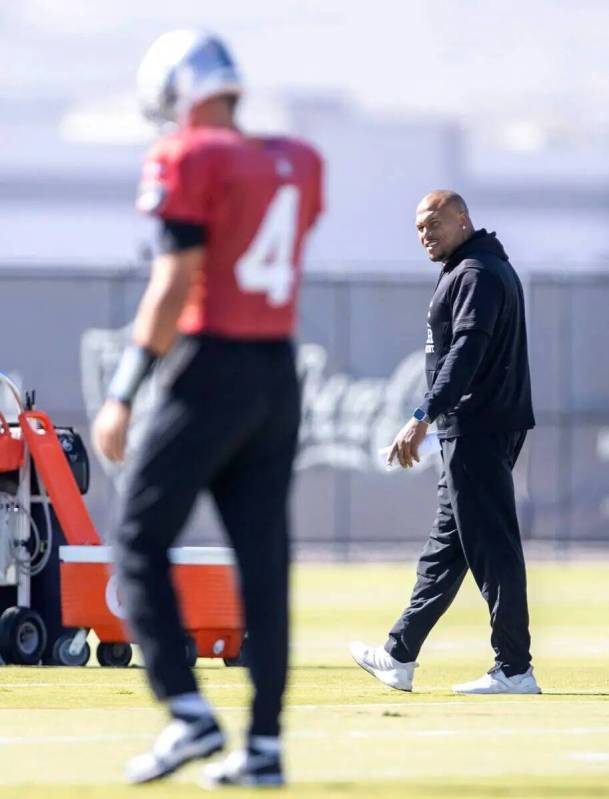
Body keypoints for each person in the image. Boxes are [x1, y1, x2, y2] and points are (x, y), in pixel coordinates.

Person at [92, 29, 323, 787]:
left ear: (175, 97)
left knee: (137, 535)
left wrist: (124, 389)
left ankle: (187, 712)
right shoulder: (293, 159)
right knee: (264, 561)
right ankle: (264, 745)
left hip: (211, 362)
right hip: (276, 368)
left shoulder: (186, 157)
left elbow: (174, 280)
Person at [350, 190, 540, 695]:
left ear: (462, 219)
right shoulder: (474, 268)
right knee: (447, 546)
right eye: (418, 228)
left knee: (492, 545)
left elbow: (467, 351)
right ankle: (399, 654)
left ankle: (515, 668)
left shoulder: (476, 273)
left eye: (433, 223)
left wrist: (421, 416)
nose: (425, 235)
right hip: (477, 425)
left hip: (476, 425)